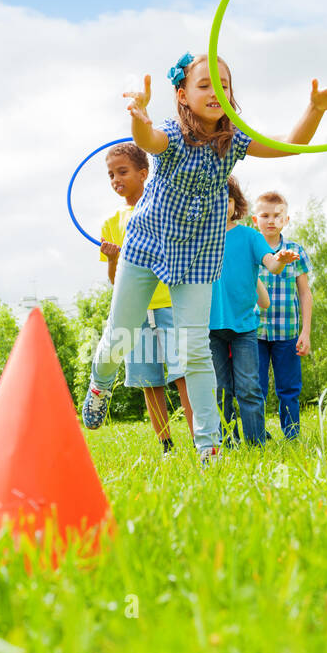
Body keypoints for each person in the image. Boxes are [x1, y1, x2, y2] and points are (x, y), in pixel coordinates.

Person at [81, 51, 327, 466]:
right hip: (148, 243)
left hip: (198, 256)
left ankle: (208, 447)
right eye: (205, 85)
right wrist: (139, 113)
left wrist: (314, 108)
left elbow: (290, 147)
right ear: (183, 95)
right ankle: (99, 385)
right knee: (121, 333)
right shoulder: (169, 132)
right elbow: (147, 140)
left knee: (195, 350)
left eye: (223, 85)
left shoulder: (233, 140)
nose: (216, 92)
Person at [97, 142, 194, 453]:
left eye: (122, 172)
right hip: (136, 313)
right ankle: (167, 445)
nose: (115, 179)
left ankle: (200, 439)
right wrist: (113, 259)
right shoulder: (111, 224)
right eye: (111, 174)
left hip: (169, 304)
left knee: (183, 373)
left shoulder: (161, 208)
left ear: (143, 173)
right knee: (147, 379)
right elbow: (116, 282)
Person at [210, 176, 286, 447]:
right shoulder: (201, 238)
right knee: (220, 390)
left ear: (235, 203)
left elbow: (272, 264)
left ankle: (256, 444)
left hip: (244, 325)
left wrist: (279, 261)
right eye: (214, 197)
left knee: (249, 387)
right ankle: (228, 443)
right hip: (210, 326)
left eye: (226, 198)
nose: (221, 204)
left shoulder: (250, 236)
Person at [254, 191, 313, 440]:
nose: (271, 221)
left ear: (286, 220)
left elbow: (305, 294)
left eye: (277, 216)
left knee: (288, 388)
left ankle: (291, 435)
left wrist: (306, 332)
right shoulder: (251, 248)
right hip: (253, 332)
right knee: (253, 388)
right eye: (265, 215)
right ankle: (256, 434)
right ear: (255, 220)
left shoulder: (295, 251)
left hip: (287, 332)